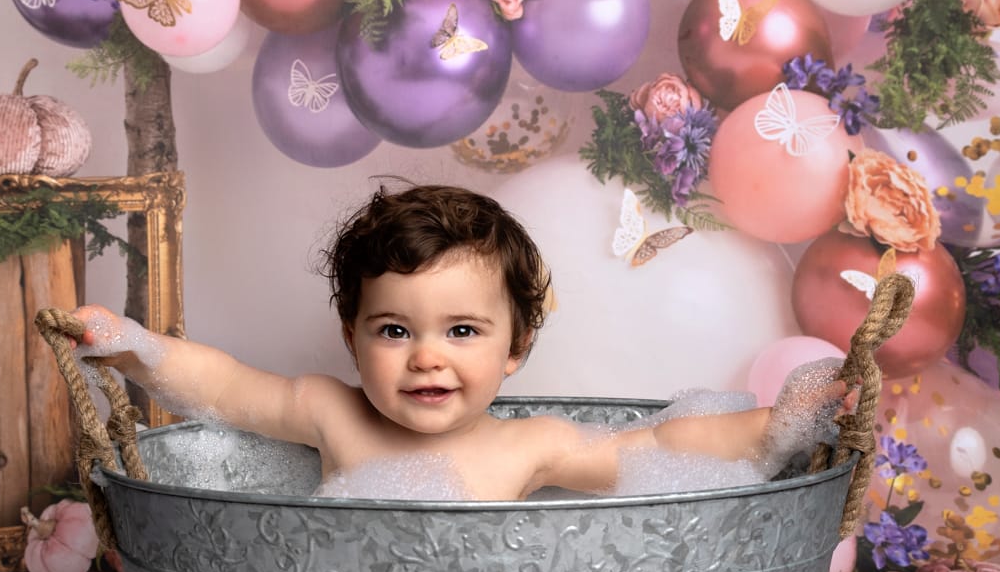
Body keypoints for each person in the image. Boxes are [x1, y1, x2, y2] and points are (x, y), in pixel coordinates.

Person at [64, 184, 849, 501]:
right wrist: (134, 348)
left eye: (463, 331)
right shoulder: (330, 413)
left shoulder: (529, 447)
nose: (427, 357)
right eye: (394, 330)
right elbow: (228, 387)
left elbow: (659, 446)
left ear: (516, 347)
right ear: (351, 338)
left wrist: (780, 424)